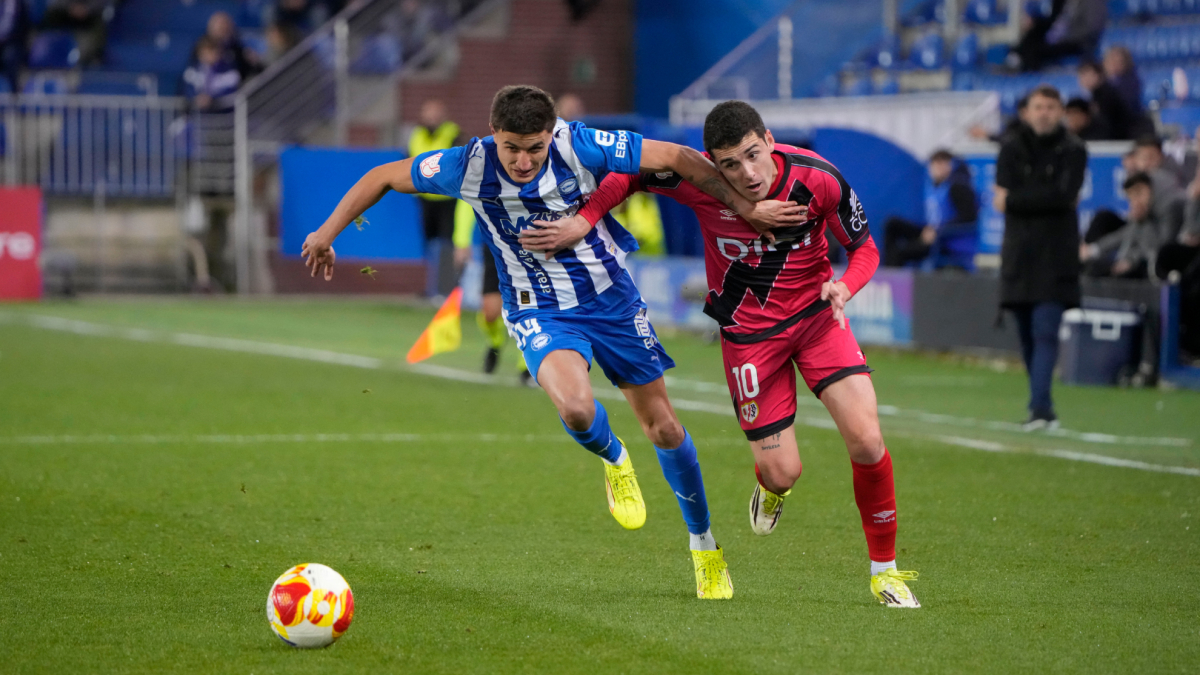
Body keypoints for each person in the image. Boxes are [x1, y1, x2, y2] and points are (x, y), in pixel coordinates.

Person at [301, 85, 803, 599]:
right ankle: (614, 459)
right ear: (493, 134)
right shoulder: (466, 165)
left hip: (611, 302)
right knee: (578, 410)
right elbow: (382, 176)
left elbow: (675, 157)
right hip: (537, 308)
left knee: (666, 427)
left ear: (551, 134)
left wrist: (748, 208)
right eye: (511, 148)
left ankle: (705, 548)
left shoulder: (578, 144)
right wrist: (326, 232)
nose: (522, 160)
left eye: (534, 148)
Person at [536, 101, 922, 609]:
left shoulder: (818, 178)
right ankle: (771, 489)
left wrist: (845, 286)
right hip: (749, 339)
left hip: (817, 323)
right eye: (730, 164)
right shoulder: (696, 179)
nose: (747, 173)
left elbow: (866, 248)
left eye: (753, 155)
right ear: (713, 164)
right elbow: (624, 175)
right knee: (783, 472)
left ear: (768, 139)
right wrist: (586, 220)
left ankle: (885, 572)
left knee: (868, 439)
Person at [993, 85, 1087, 430]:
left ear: (1060, 110)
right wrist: (1042, 198)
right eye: (1038, 106)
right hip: (1018, 254)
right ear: (1027, 112)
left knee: (1045, 329)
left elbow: (1065, 196)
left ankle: (1041, 408)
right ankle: (1041, 407)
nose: (1044, 112)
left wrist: (1019, 199)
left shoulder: (1073, 148)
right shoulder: (1011, 148)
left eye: (1051, 106)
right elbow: (1001, 200)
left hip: (1056, 255)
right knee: (1027, 335)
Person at [883, 149, 979, 270]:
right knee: (892, 224)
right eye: (935, 164)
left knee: (899, 253)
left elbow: (969, 217)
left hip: (944, 238)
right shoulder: (933, 188)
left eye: (942, 164)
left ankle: (893, 279)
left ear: (950, 166)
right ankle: (887, 269)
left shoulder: (957, 187)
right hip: (932, 231)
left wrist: (938, 230)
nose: (937, 168)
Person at [408, 99, 462, 297]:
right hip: (425, 199)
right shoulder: (416, 133)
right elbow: (407, 160)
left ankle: (445, 288)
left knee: (448, 243)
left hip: (448, 199)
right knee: (430, 244)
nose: (432, 117)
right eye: (428, 113)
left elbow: (456, 164)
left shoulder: (453, 133)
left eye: (435, 113)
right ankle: (434, 287)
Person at [1082, 173, 1162, 278]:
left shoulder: (1161, 210)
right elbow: (1120, 236)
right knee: (1094, 266)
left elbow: (1157, 248)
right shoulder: (1138, 216)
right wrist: (1092, 250)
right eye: (1131, 197)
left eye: (1139, 193)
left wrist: (1131, 261)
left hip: (1145, 265)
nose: (1135, 201)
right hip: (1127, 260)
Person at [1012, 0, 1107, 72]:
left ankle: (1027, 71)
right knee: (1031, 38)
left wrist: (1066, 36)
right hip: (1057, 37)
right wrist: (1035, 23)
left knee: (1036, 51)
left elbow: (1092, 28)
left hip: (1077, 41)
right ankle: (1016, 58)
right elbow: (1053, 20)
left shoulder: (1093, 2)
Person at [192, 11, 262, 82]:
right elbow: (191, 76)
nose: (223, 29)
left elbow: (245, 72)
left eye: (225, 26)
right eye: (220, 28)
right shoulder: (200, 47)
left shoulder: (237, 48)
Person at [183, 36, 242, 112]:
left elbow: (231, 92)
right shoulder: (192, 71)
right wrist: (196, 97)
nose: (208, 54)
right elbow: (187, 89)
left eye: (211, 50)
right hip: (198, 115)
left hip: (223, 116)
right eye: (205, 51)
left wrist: (212, 99)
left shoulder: (230, 71)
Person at [1075, 61, 1132, 140]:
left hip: (1117, 139)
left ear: (1099, 76)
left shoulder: (1107, 95)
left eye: (1088, 75)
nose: (1085, 79)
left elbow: (1107, 123)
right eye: (1082, 75)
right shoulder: (1095, 95)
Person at [42, 0, 109, 64]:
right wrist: (70, 7)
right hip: (63, 22)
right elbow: (54, 5)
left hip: (89, 25)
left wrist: (87, 8)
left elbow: (103, 4)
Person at [0, 0, 29, 93]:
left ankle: (13, 95)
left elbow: (12, 26)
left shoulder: (17, 4)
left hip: (14, 43)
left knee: (10, 56)